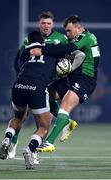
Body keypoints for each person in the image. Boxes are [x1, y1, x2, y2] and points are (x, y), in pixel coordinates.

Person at [9, 11, 77, 160]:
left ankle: (63, 122)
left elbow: (70, 55)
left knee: (57, 104)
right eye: (43, 23)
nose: (46, 26)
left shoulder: (61, 38)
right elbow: (18, 59)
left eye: (48, 23)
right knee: (24, 114)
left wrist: (65, 67)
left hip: (55, 78)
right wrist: (21, 74)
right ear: (39, 24)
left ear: (52, 24)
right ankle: (14, 141)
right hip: (35, 79)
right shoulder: (31, 39)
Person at [30, 15, 100, 152]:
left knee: (65, 104)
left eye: (69, 31)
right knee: (46, 94)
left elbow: (67, 49)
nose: (67, 34)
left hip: (85, 80)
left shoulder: (86, 37)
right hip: (73, 78)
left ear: (78, 28)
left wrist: (41, 51)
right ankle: (67, 123)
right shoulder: (85, 37)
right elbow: (70, 53)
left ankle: (49, 142)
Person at [0, 30, 62, 169]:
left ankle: (7, 138)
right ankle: (30, 149)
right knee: (44, 127)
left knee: (18, 118)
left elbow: (19, 61)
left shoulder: (26, 53)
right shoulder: (51, 51)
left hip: (18, 85)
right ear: (43, 42)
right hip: (37, 88)